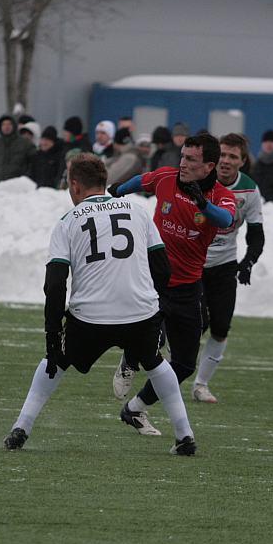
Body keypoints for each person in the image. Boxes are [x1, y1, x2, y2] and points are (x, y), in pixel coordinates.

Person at [3, 153, 196, 454]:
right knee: (156, 363)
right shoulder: (138, 210)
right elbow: (162, 268)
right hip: (140, 314)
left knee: (57, 361)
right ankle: (184, 436)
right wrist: (154, 310)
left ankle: (21, 427)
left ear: (75, 185)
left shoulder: (67, 222)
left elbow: (55, 283)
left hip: (91, 319)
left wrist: (52, 333)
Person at [108, 132, 235, 435]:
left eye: (191, 160)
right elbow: (142, 180)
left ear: (209, 166)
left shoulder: (220, 196)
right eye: (182, 157)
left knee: (185, 365)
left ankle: (135, 409)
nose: (183, 164)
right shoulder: (166, 177)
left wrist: (201, 203)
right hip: (152, 277)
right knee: (151, 336)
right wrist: (118, 190)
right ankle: (129, 359)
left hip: (188, 287)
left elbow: (225, 220)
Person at [190, 133, 264, 404]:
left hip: (224, 265)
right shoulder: (196, 180)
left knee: (221, 326)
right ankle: (169, 375)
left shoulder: (249, 191)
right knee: (196, 324)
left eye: (233, 156)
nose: (226, 160)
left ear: (242, 161)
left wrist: (249, 261)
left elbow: (256, 233)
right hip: (192, 263)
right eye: (222, 154)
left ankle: (200, 385)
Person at [0, 114, 35, 185]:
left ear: (14, 126)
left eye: (9, 124)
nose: (6, 127)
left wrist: (25, 179)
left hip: (19, 186)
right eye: (3, 124)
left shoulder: (25, 143)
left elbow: (32, 162)